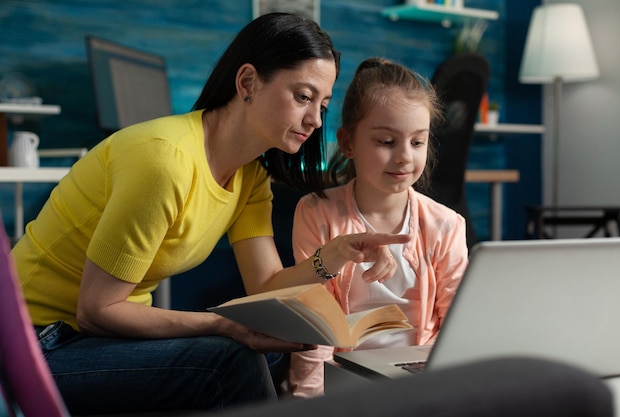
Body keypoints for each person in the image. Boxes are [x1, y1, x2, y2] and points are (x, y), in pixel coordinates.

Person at [10, 15, 410, 415]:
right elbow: (97, 310)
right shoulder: (165, 163)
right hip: (32, 343)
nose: (316, 120)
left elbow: (266, 285)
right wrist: (221, 324)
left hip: (92, 338)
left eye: (322, 104)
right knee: (230, 360)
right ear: (248, 83)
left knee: (271, 349)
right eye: (303, 97)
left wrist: (336, 255)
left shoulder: (250, 176)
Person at [287, 58, 469, 397]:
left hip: (421, 378)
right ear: (348, 143)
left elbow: (458, 325)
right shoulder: (316, 213)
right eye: (387, 142)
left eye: (417, 142)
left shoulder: (446, 224)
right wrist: (308, 402)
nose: (404, 157)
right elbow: (314, 322)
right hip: (345, 378)